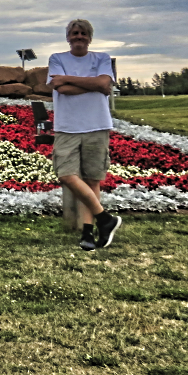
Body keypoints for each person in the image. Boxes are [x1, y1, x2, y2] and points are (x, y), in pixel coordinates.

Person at [47, 19, 122, 251]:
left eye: (83, 33)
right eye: (74, 33)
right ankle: (105, 219)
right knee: (66, 174)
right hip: (67, 126)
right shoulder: (57, 58)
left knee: (92, 179)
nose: (79, 37)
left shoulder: (102, 58)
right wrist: (94, 85)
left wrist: (69, 79)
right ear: (68, 37)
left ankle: (89, 232)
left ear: (90, 37)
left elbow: (103, 83)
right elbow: (62, 89)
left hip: (97, 125)